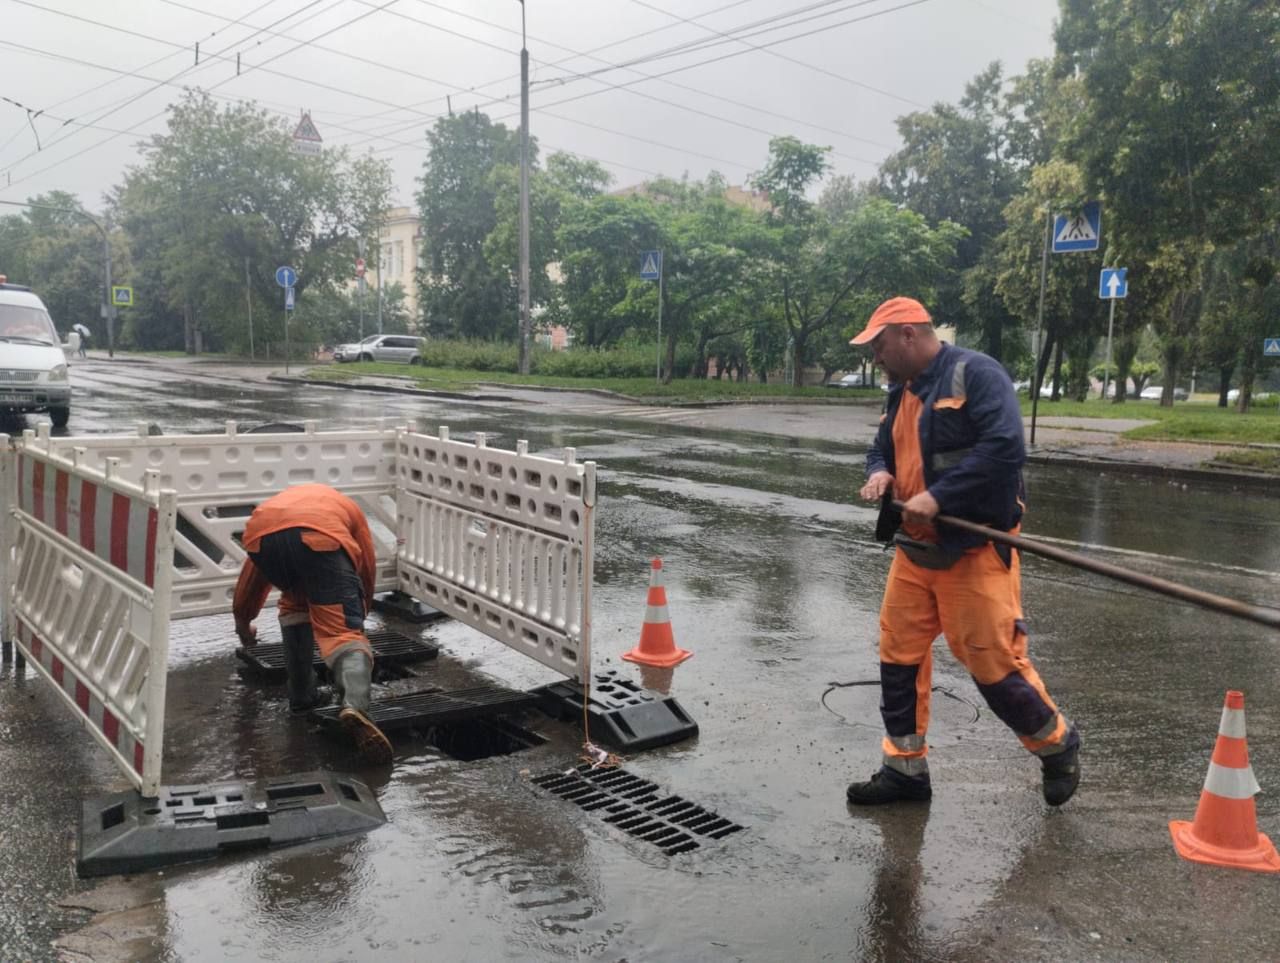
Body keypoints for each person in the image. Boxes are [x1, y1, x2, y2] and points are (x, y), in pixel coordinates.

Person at [846, 297, 1080, 807]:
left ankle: (1058, 745)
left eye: (879, 346)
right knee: (898, 659)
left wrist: (938, 497)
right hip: (915, 551)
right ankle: (904, 770)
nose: (876, 357)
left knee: (993, 665)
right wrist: (879, 472)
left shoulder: (976, 374)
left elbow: (1005, 448)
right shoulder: (901, 390)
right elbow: (882, 446)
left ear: (908, 334)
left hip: (974, 548)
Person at [233, 483, 393, 765]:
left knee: (295, 605)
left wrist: (243, 622)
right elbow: (366, 566)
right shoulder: (347, 510)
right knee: (342, 634)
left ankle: (301, 698)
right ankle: (355, 707)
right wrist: (356, 615)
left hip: (260, 537)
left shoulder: (278, 510)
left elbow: (252, 576)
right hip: (321, 539)